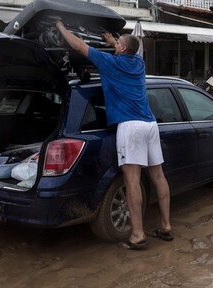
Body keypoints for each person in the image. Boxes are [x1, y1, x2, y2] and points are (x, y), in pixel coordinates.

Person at [55, 20, 172, 250]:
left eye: (117, 43)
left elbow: (79, 46)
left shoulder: (108, 62)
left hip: (130, 127)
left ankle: (137, 235)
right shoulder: (139, 62)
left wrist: (61, 27)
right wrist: (112, 40)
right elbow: (129, 47)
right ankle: (166, 226)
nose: (114, 44)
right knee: (158, 176)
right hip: (149, 124)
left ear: (122, 49)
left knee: (132, 181)